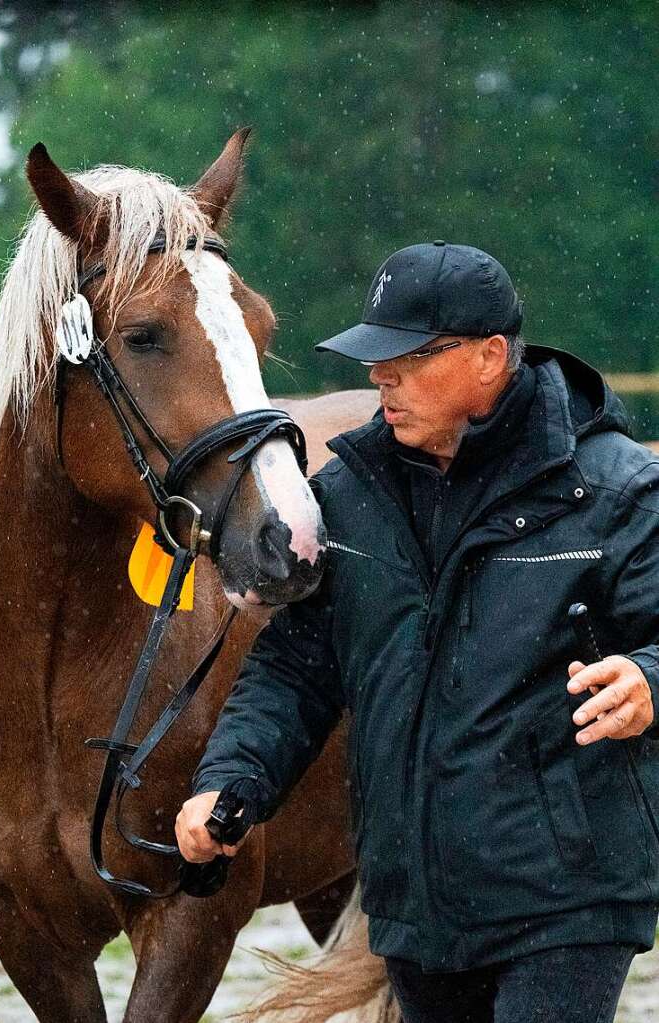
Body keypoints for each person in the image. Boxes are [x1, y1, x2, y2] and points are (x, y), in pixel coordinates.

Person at [175, 241, 659, 1022]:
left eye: (404, 357)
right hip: (415, 905)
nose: (379, 377)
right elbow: (297, 669)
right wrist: (232, 778)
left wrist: (647, 679)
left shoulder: (613, 489)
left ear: (489, 357)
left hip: (567, 897)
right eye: (375, 358)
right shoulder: (347, 494)